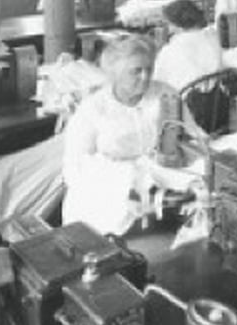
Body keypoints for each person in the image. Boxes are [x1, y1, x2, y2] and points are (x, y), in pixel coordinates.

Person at [62, 35, 197, 237]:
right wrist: (123, 182)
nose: (145, 77)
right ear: (114, 73)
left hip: (163, 178)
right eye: (136, 71)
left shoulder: (165, 95)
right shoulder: (93, 109)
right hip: (108, 187)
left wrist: (188, 152)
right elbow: (75, 167)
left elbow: (193, 135)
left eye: (149, 69)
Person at [153, 0, 223, 92]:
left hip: (184, 99)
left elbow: (157, 79)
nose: (169, 29)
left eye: (169, 24)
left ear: (176, 24)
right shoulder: (215, 37)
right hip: (218, 96)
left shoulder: (171, 50)